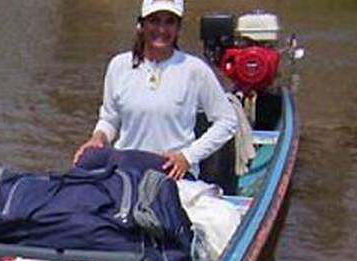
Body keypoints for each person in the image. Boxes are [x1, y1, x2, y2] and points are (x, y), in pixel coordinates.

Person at [73, 0, 237, 181]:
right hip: (125, 170)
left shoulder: (195, 70)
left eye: (169, 22)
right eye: (155, 21)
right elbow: (110, 119)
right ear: (141, 25)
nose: (161, 29)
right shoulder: (119, 66)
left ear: (178, 28)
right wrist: (99, 137)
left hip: (173, 173)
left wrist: (188, 157)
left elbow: (227, 121)